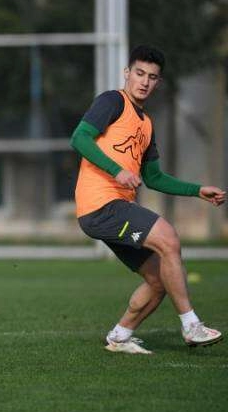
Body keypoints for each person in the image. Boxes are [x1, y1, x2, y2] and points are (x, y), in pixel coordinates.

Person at [70, 45, 225, 354]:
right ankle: (192, 326)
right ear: (127, 73)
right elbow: (79, 137)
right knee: (169, 238)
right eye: (139, 73)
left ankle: (120, 336)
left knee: (160, 279)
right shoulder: (112, 101)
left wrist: (197, 190)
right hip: (101, 204)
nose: (144, 81)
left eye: (152, 77)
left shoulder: (146, 124)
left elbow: (154, 178)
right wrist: (117, 171)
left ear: (158, 82)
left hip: (114, 208)